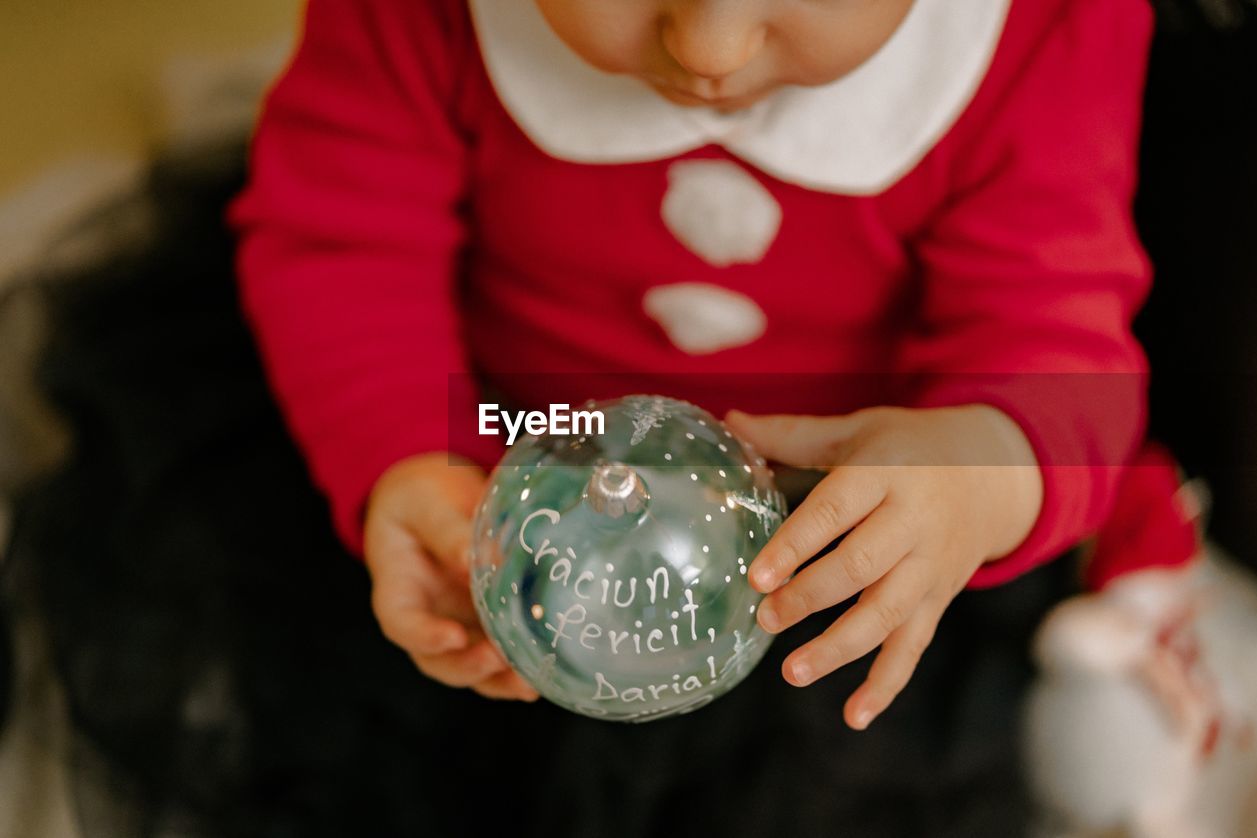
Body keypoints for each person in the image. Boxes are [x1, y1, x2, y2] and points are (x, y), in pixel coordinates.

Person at [231, 0, 1159, 732]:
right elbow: (345, 246)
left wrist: (976, 467)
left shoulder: (1043, 32)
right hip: (507, 474)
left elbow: (1063, 345)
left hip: (838, 544)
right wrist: (404, 451)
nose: (709, 47)